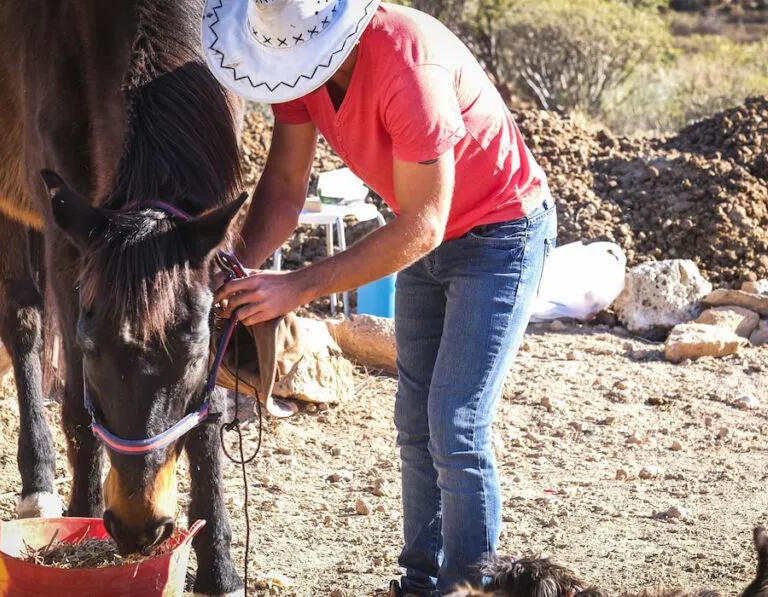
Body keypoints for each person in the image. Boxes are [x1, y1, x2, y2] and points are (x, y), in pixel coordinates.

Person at [203, 1, 556, 594]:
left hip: (500, 234)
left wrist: (297, 287)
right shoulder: (298, 62)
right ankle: (419, 584)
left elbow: (425, 222)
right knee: (415, 421)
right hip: (427, 235)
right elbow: (287, 188)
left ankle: (471, 586)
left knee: (457, 422)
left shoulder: (407, 65)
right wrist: (235, 267)